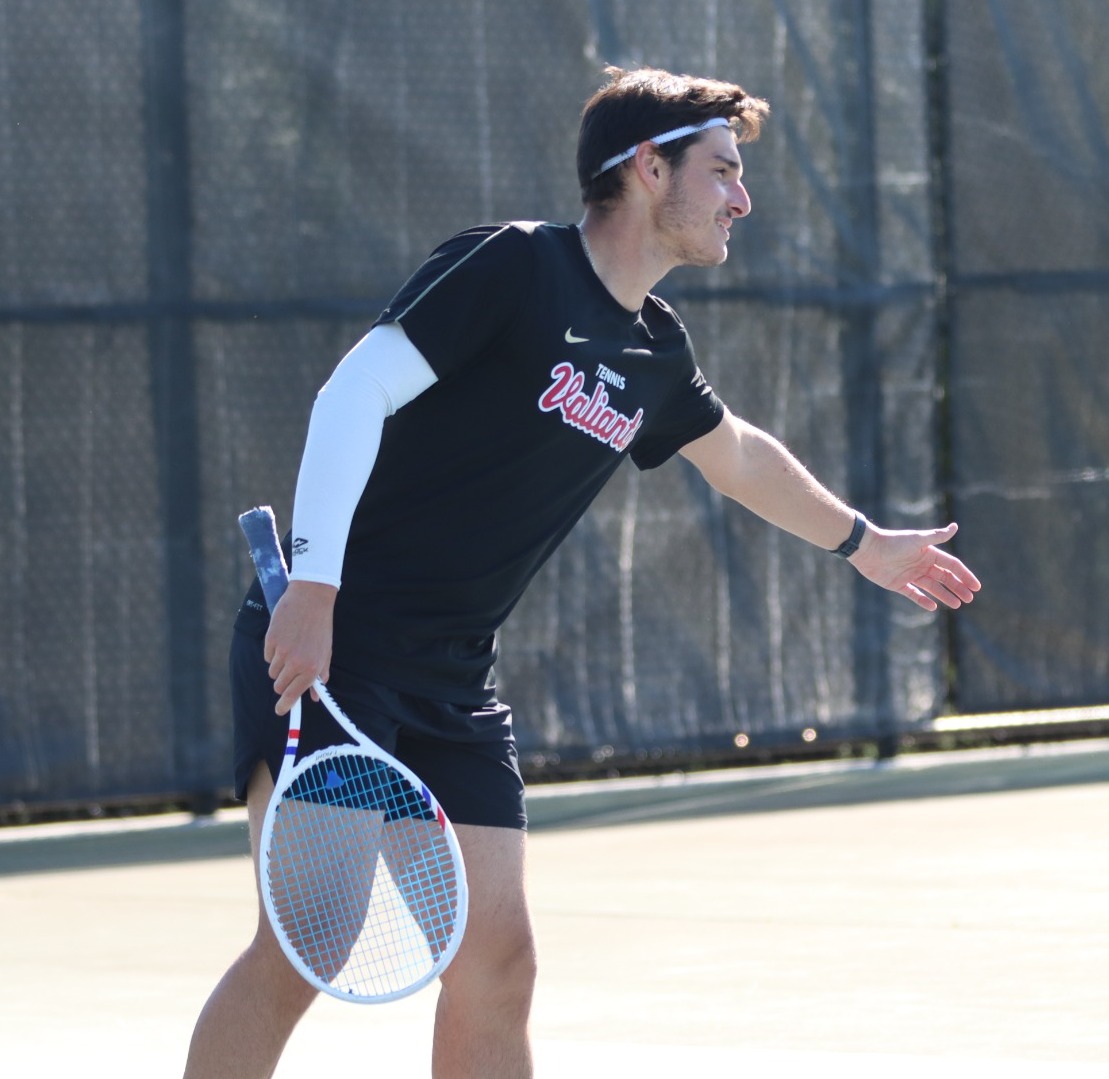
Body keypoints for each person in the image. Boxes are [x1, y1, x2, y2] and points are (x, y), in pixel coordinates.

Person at [184, 66, 981, 1078]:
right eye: (722, 170)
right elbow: (352, 394)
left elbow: (737, 456)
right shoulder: (514, 265)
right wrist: (313, 587)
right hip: (338, 640)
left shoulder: (654, 352)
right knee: (312, 938)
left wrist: (867, 544)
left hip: (452, 677)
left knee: (497, 963)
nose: (741, 197)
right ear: (648, 169)